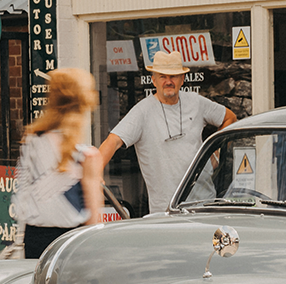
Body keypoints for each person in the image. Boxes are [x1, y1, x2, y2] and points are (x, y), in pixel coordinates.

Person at [98, 49, 237, 215]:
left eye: (173, 76)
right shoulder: (142, 111)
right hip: (166, 211)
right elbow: (113, 141)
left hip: (204, 205)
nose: (168, 81)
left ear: (182, 79)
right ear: (154, 80)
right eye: (163, 76)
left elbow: (230, 118)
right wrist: (95, 173)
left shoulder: (196, 102)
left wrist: (215, 153)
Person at [14, 68, 105, 259]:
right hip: (72, 242)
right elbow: (93, 219)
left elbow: (21, 197)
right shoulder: (86, 156)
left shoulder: (31, 142)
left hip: (34, 238)